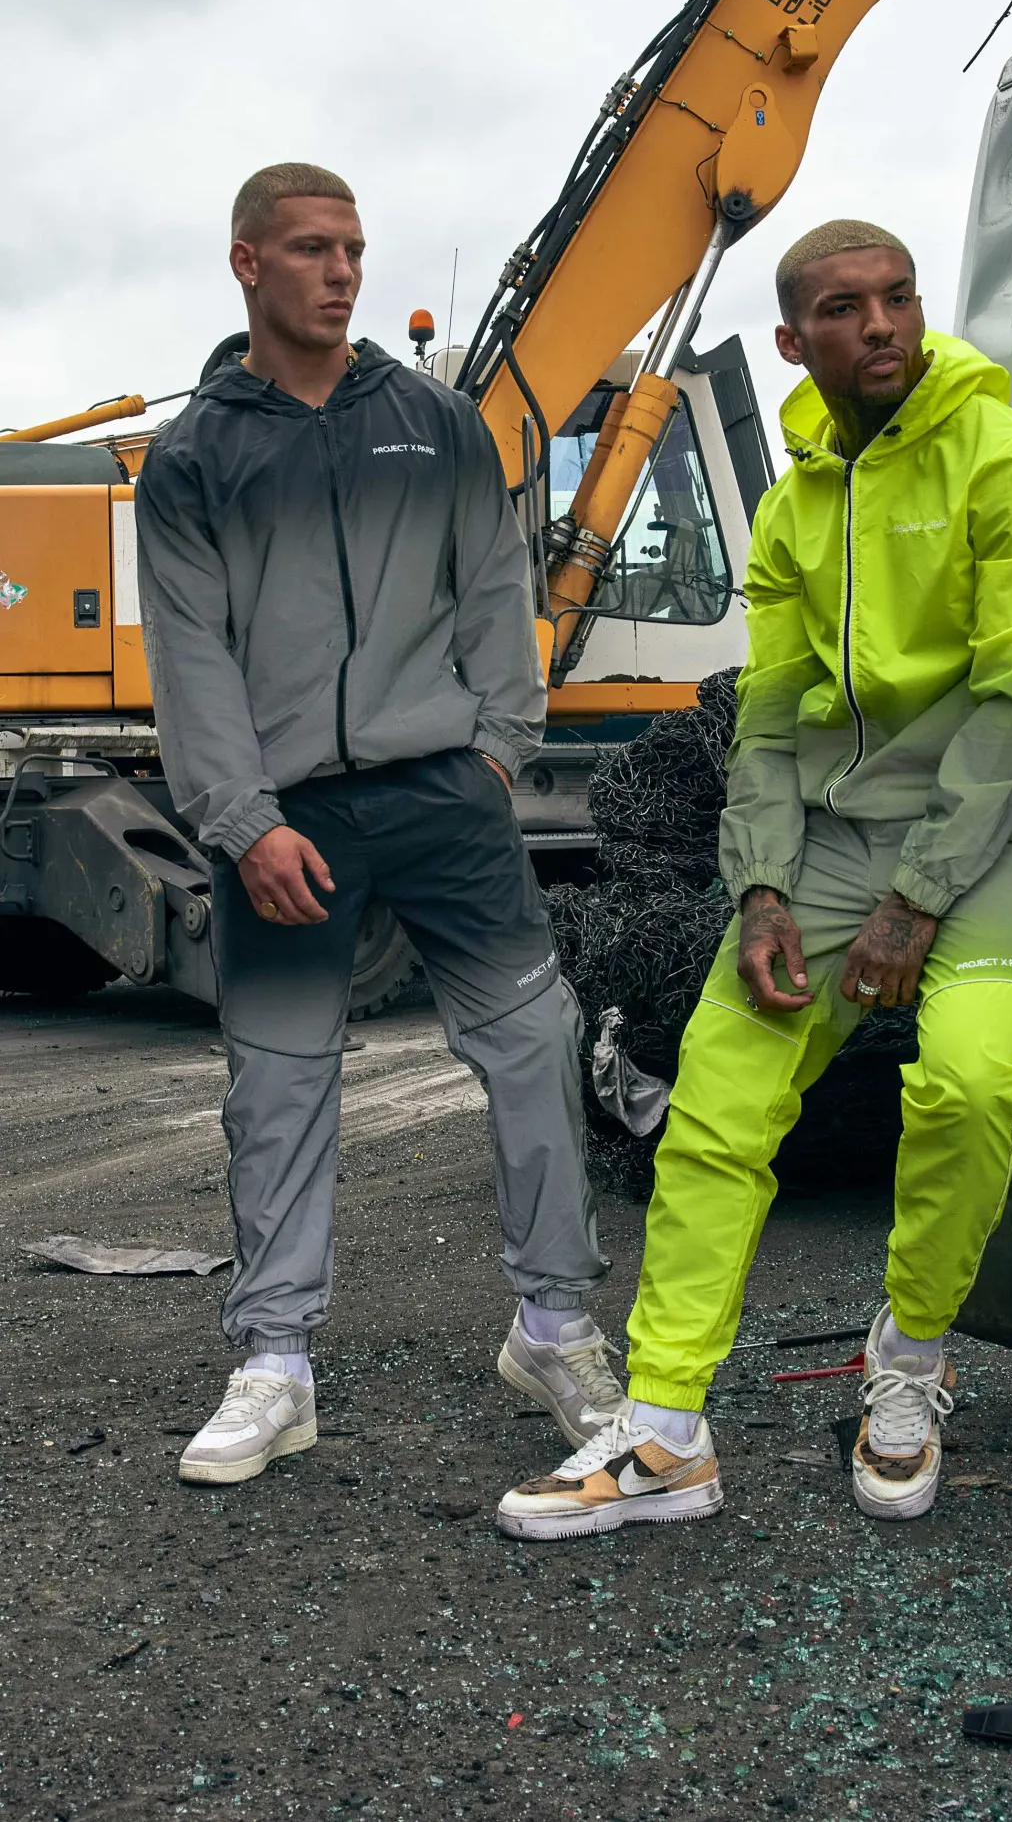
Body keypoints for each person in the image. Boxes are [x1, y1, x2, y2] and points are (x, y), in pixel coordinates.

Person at [496, 218, 1012, 1541]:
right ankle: (663, 1432)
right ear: (794, 340)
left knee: (968, 1081)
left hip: (994, 831)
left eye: (896, 298)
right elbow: (767, 720)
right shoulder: (790, 508)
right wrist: (762, 887)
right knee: (717, 1102)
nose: (879, 323)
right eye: (844, 307)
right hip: (828, 843)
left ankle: (912, 1355)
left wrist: (921, 893)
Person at [137, 162, 623, 1486]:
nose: (343, 270)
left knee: (534, 1045)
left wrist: (492, 756)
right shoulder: (192, 460)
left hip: (441, 796)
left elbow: (492, 588)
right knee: (282, 1086)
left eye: (353, 247)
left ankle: (554, 1327)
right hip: (287, 819)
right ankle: (276, 1363)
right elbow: (191, 659)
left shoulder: (434, 422)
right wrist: (241, 822)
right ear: (248, 264)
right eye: (311, 249)